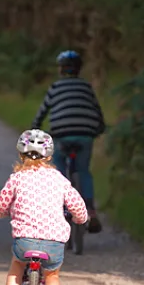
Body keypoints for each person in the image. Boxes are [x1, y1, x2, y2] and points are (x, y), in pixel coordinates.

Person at [0, 129, 88, 285]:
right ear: (49, 156)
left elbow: (0, 206)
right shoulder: (59, 179)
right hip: (53, 242)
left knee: (16, 267)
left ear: (20, 154)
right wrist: (80, 218)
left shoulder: (16, 178)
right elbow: (77, 206)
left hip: (24, 241)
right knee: (51, 275)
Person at [32, 50, 105, 233]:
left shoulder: (55, 87)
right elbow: (97, 110)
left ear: (61, 69)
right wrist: (99, 128)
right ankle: (90, 211)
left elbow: (42, 112)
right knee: (83, 171)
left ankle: (63, 207)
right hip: (85, 133)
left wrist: (35, 129)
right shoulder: (86, 87)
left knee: (58, 168)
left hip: (61, 133)